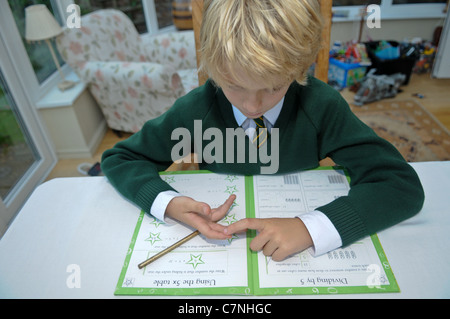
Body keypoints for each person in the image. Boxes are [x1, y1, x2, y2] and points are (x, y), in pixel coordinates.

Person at [101, 0, 424, 261]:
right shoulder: (196, 109)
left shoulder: (321, 106)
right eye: (234, 85)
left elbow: (400, 185)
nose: (253, 105)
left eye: (273, 87)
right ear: (212, 68)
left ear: (300, 68)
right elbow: (121, 158)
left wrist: (311, 229)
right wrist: (166, 202)